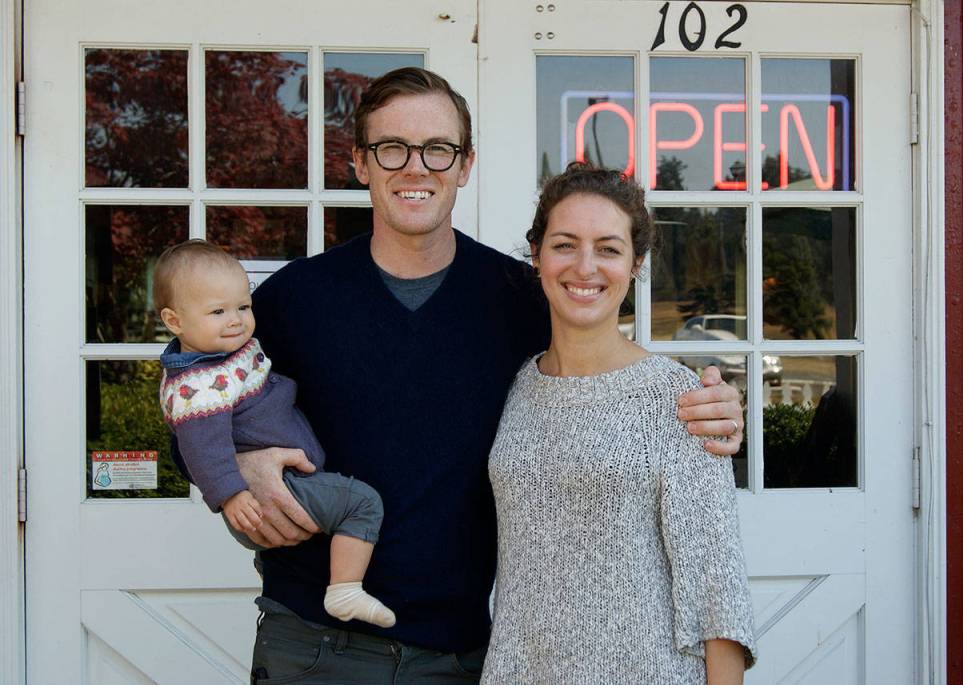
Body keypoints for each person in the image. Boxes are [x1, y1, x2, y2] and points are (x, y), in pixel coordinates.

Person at [180, 67, 745, 684]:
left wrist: (712, 406)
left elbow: (602, 377)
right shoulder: (294, 298)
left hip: (462, 657)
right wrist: (236, 464)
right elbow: (190, 401)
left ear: (465, 164)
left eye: (438, 149)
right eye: (391, 148)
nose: (415, 167)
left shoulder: (521, 301)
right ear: (361, 163)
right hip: (314, 647)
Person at [483, 164, 757, 684]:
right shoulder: (517, 386)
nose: (585, 266)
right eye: (565, 244)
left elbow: (717, 592)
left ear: (636, 264)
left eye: (608, 248)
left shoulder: (679, 401)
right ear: (536, 254)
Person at [155, 240, 396, 628]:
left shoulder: (225, 353)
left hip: (287, 487)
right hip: (275, 490)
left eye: (243, 307)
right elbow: (201, 445)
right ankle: (345, 589)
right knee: (361, 504)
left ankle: (279, 568)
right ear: (175, 321)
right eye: (217, 311)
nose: (235, 319)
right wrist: (231, 495)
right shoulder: (199, 385)